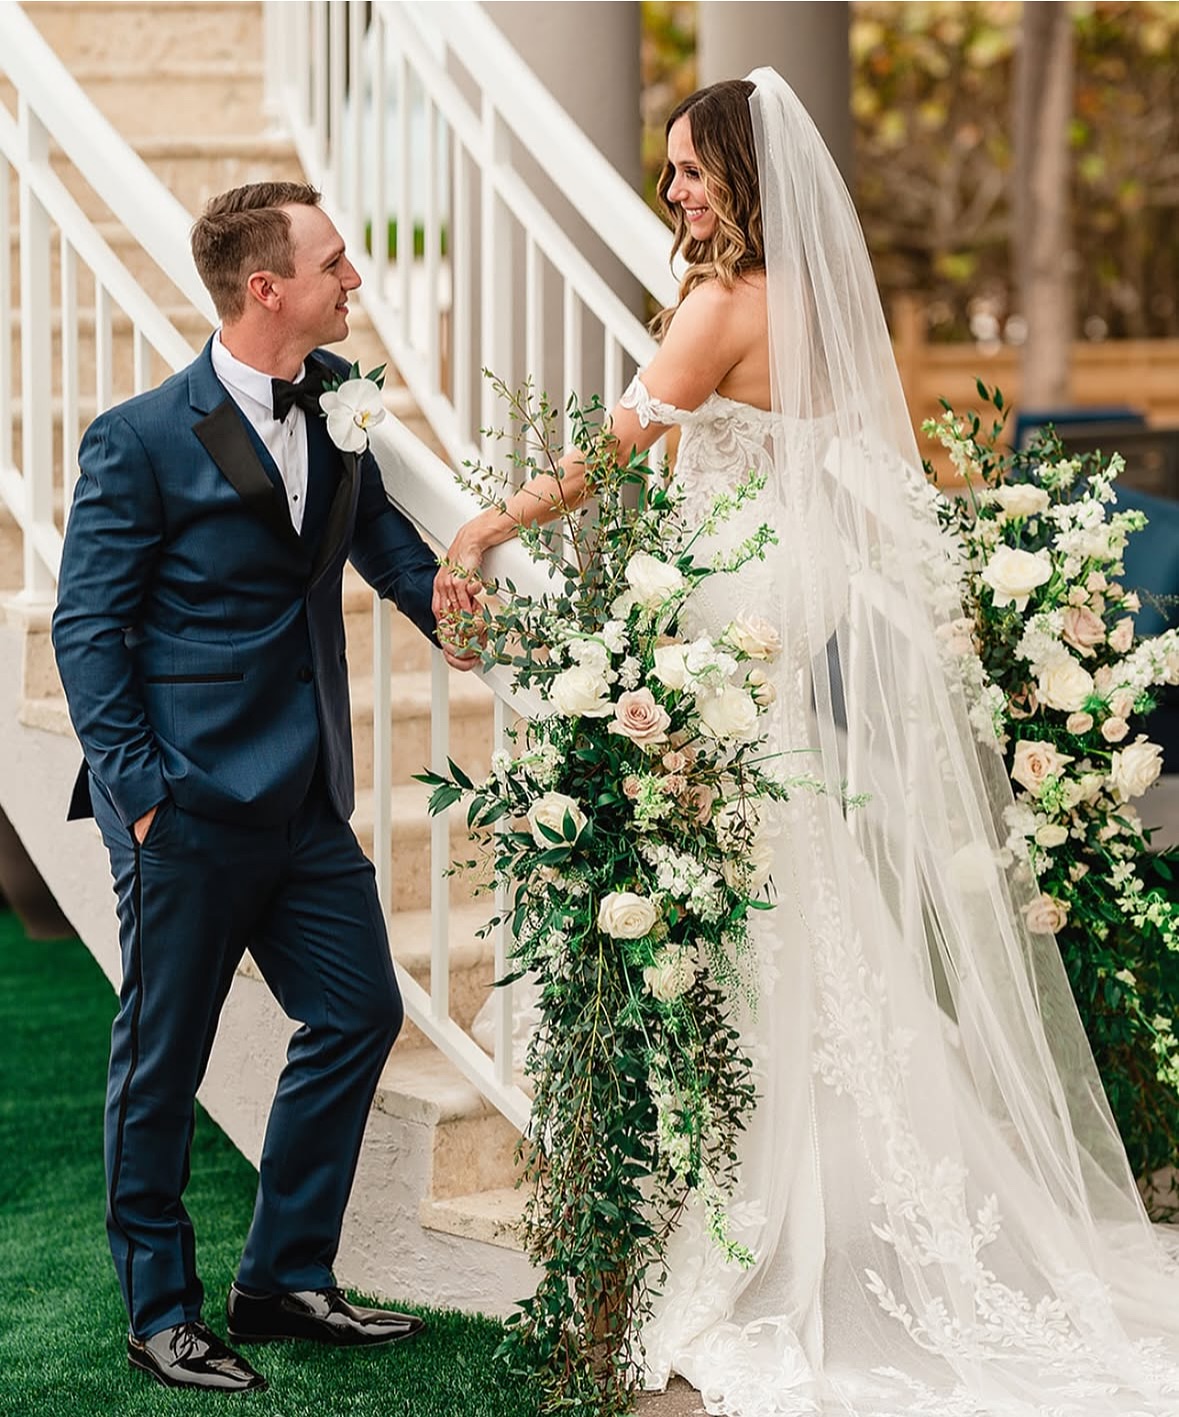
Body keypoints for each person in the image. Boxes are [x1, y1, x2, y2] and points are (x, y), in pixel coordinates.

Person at [438, 73, 1179, 1416]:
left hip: (723, 623)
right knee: (793, 908)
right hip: (769, 613)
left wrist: (486, 526)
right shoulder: (815, 308)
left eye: (688, 172)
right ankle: (828, 1203)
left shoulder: (723, 306)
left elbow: (612, 454)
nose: (674, 194)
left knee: (755, 913)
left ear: (740, 175)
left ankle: (769, 1225)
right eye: (668, 175)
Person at [53, 182, 473, 1394]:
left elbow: (376, 537)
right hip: (183, 802)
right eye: (337, 264)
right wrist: (140, 799)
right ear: (267, 288)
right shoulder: (138, 438)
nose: (357, 281)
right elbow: (89, 629)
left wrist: (455, 609)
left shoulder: (339, 402)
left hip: (304, 799)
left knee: (357, 1014)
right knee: (163, 1062)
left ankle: (283, 1278)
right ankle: (160, 1309)